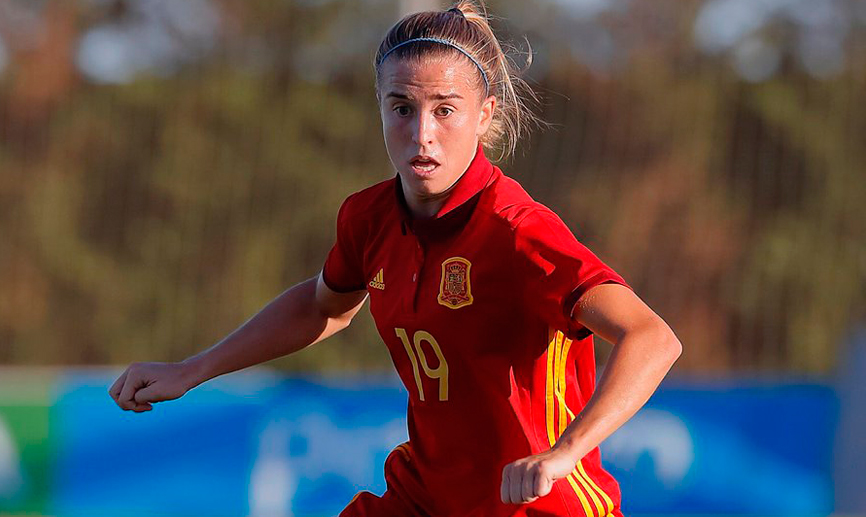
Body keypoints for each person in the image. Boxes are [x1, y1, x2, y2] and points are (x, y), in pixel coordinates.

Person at [109, 1, 682, 515]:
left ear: (485, 115)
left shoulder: (518, 231)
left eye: (445, 110)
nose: (422, 134)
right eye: (402, 108)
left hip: (534, 506)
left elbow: (653, 338)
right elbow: (322, 309)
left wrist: (563, 455)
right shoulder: (368, 218)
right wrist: (191, 371)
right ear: (380, 109)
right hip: (425, 497)